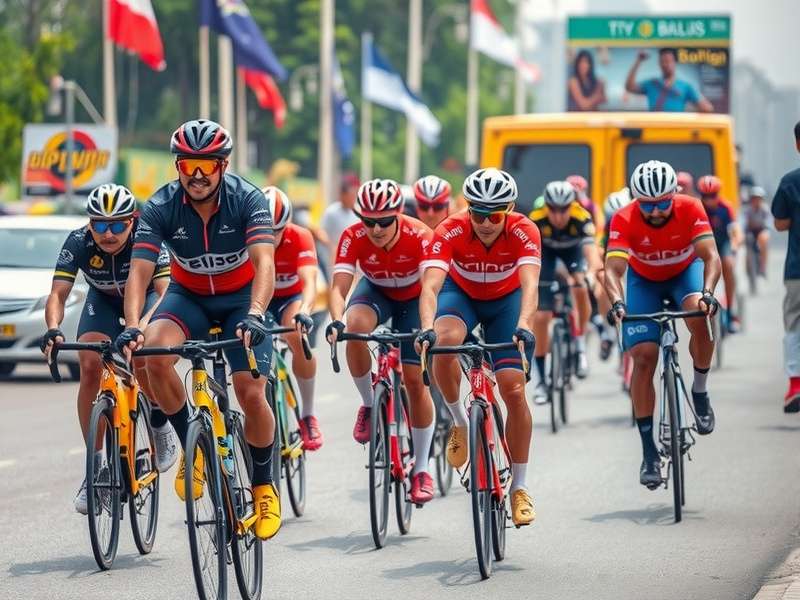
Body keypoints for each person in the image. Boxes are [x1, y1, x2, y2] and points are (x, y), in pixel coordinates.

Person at [116, 119, 283, 540]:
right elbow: (139, 273)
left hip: (240, 302)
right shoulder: (159, 206)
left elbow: (265, 263)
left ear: (223, 166)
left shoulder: (247, 199)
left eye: (206, 165)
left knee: (250, 391)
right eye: (188, 164)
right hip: (187, 297)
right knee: (152, 354)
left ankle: (263, 485)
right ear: (178, 166)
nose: (196, 174)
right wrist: (134, 325)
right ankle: (192, 443)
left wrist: (258, 313)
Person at [41, 183, 175, 514]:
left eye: (118, 225)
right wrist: (54, 329)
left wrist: (141, 326)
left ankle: (159, 422)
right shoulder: (78, 241)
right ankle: (95, 469)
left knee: (142, 359)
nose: (109, 233)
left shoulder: (148, 237)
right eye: (100, 224)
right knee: (88, 365)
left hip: (146, 301)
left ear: (133, 221)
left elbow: (164, 291)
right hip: (101, 301)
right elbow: (58, 293)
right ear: (90, 224)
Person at [416, 167, 540, 526]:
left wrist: (524, 325)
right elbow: (431, 286)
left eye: (495, 214)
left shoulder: (524, 230)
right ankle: (459, 422)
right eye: (478, 213)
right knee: (443, 341)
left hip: (507, 302)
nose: (486, 222)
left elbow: (530, 285)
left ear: (510, 209)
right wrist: (426, 327)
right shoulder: (450, 229)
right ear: (467, 209)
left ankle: (519, 487)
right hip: (463, 295)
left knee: (513, 392)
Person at [605, 160, 720, 488]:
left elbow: (711, 256)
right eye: (647, 205)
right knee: (642, 357)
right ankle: (649, 453)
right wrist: (616, 302)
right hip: (645, 282)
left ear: (675, 195)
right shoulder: (624, 217)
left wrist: (709, 293)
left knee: (701, 312)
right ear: (635, 200)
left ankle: (700, 391)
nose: (655, 212)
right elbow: (612, 270)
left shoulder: (691, 207)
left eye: (662, 203)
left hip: (685, 274)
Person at [325, 179, 437, 504]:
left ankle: (422, 468)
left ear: (399, 215)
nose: (375, 229)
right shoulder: (353, 236)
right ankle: (369, 404)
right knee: (355, 327)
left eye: (384, 222)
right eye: (368, 221)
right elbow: (339, 288)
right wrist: (336, 319)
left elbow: (432, 288)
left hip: (415, 299)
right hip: (376, 292)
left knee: (416, 382)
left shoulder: (420, 236)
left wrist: (428, 327)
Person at [262, 186, 323, 450]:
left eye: (277, 231)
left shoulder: (300, 236)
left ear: (286, 225)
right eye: (266, 230)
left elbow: (309, 280)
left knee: (297, 335)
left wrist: (305, 310)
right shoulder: (244, 236)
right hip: (259, 299)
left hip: (290, 299)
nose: (271, 237)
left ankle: (307, 415)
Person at [529, 180, 602, 399]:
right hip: (547, 258)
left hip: (574, 254)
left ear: (573, 205)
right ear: (546, 207)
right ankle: (542, 380)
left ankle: (579, 343)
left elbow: (592, 256)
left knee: (580, 285)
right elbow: (528, 259)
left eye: (564, 209)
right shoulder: (536, 220)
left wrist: (590, 275)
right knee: (541, 317)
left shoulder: (582, 218)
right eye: (553, 209)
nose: (559, 215)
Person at [771, 121, 800, 413]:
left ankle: (795, 385)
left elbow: (780, 224)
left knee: (793, 324)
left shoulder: (791, 181)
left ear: (797, 145)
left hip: (797, 270)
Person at [697, 174, 743, 332]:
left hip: (722, 244)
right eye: (705, 196)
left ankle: (730, 312)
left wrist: (736, 244)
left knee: (728, 266)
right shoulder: (697, 207)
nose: (709, 200)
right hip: (704, 245)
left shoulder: (726, 207)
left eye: (713, 195)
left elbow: (736, 230)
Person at [625, 48, 713, 113]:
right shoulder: (652, 84)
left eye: (668, 61)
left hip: (676, 132)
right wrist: (638, 61)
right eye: (662, 61)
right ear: (659, 63)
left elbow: (707, 108)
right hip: (654, 131)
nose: (665, 64)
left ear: (674, 62)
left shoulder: (685, 86)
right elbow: (629, 87)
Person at [320, 171, 360, 268]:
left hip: (355, 258)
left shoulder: (360, 212)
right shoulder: (332, 211)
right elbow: (321, 231)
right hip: (335, 256)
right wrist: (331, 245)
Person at [740, 186, 772, 277]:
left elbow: (768, 223)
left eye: (758, 198)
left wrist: (762, 228)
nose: (756, 200)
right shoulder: (747, 210)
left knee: (764, 240)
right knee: (745, 244)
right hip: (749, 232)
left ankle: (763, 266)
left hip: (762, 231)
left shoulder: (765, 209)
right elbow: (742, 223)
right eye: (754, 198)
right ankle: (748, 266)